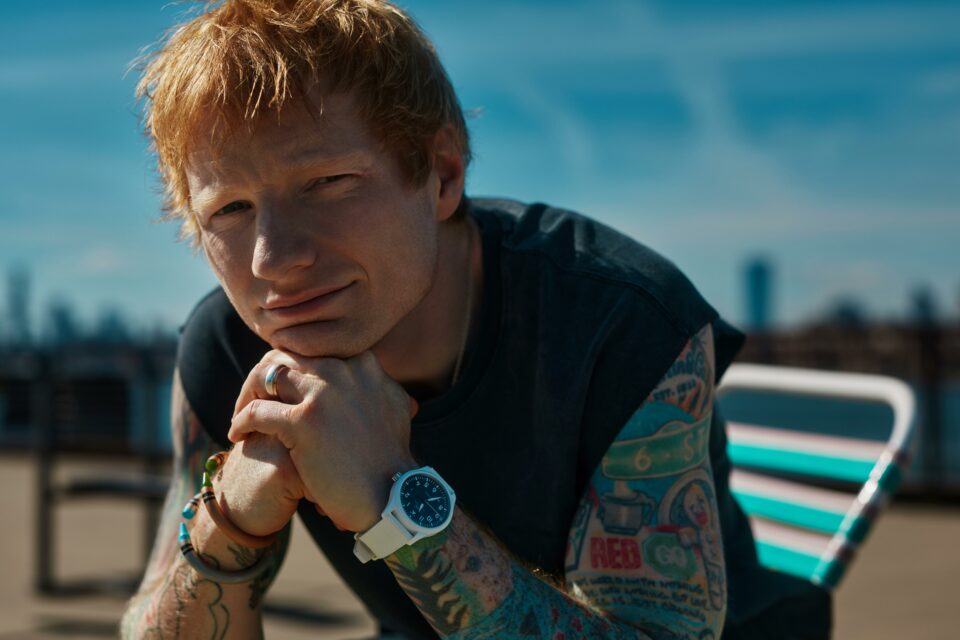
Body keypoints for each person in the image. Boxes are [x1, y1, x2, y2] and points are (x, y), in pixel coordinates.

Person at [120, 1, 830, 638]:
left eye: (327, 182)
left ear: (443, 174)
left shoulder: (618, 322)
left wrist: (393, 498)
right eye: (230, 210)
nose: (274, 260)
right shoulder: (229, 347)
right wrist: (229, 524)